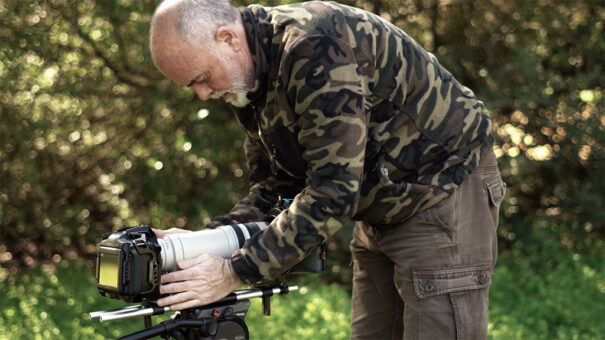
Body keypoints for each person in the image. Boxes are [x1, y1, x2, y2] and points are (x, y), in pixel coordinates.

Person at [149, 0, 506, 339]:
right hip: (378, 202)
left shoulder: (313, 49)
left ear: (227, 38)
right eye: (192, 85)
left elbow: (333, 192)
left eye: (203, 77)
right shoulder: (249, 78)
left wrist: (234, 271)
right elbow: (276, 188)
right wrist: (200, 245)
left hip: (442, 189)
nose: (202, 93)